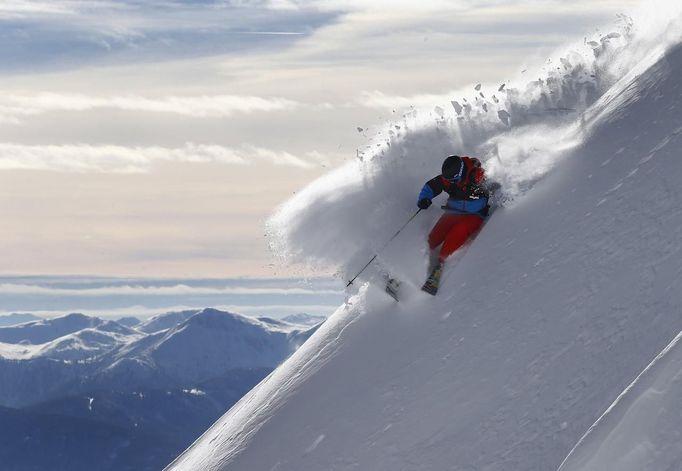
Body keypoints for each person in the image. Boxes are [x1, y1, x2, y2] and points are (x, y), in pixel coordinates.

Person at [417, 154, 494, 294]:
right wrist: (424, 199)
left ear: (461, 173)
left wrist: (493, 190)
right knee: (434, 236)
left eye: (454, 180)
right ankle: (417, 262)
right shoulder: (448, 179)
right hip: (453, 211)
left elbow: (494, 186)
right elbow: (431, 186)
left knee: (458, 231)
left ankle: (439, 264)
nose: (451, 182)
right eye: (449, 180)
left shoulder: (476, 176)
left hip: (474, 214)